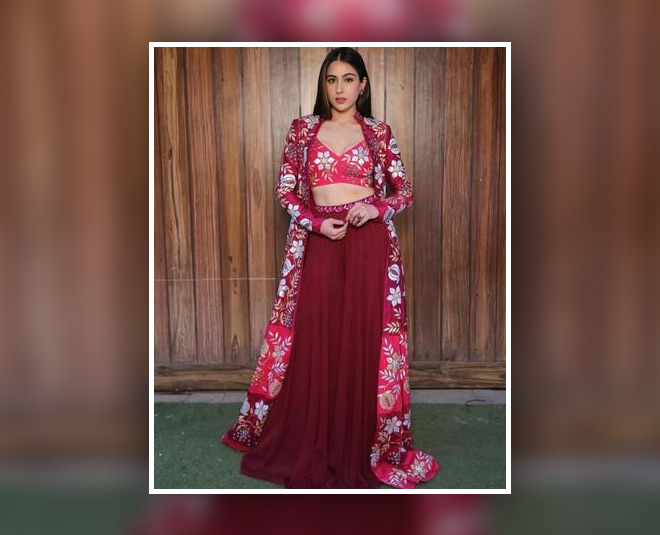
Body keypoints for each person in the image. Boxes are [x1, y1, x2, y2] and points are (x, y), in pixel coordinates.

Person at [221, 47, 440, 489]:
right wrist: (316, 222)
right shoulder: (302, 130)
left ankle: (358, 441)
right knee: (317, 337)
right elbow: (285, 191)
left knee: (361, 338)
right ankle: (314, 436)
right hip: (319, 242)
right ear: (323, 84)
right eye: (332, 79)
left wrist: (376, 209)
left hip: (369, 246)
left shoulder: (378, 133)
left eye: (348, 79)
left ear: (363, 85)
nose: (340, 88)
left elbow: (404, 191)